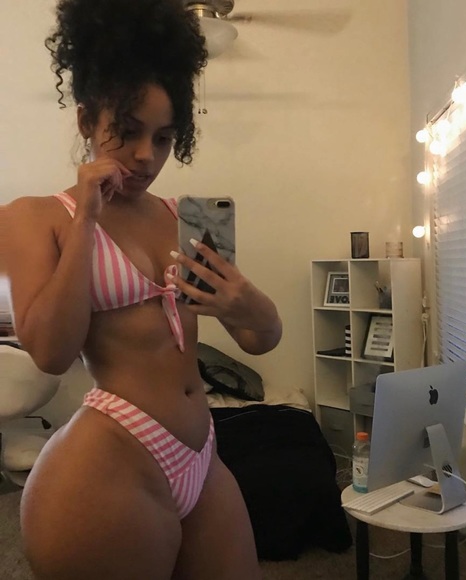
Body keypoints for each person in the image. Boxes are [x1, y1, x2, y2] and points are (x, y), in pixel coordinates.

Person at [4, 0, 282, 578]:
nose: (144, 156)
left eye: (163, 138)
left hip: (203, 453)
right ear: (86, 120)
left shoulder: (184, 218)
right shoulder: (33, 217)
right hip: (113, 455)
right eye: (127, 132)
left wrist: (244, 303)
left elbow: (261, 340)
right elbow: (51, 352)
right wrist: (86, 220)